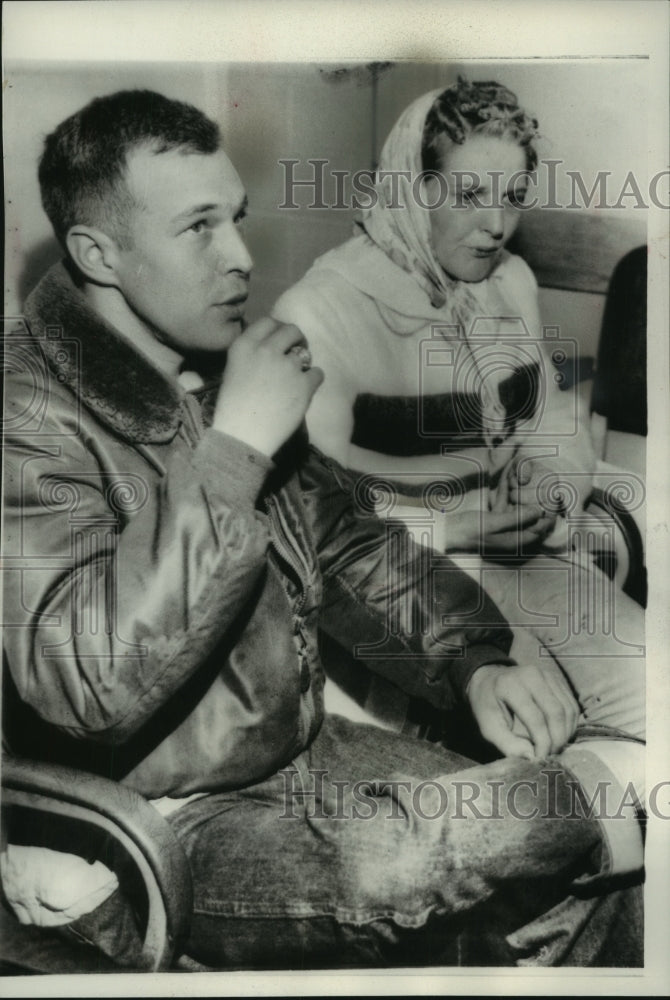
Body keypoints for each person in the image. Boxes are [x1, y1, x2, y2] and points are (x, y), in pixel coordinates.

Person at [2, 88, 644, 970]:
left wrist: (473, 658)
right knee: (552, 816)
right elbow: (82, 682)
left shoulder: (218, 359)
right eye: (198, 228)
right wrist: (235, 451)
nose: (240, 257)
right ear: (97, 253)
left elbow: (343, 543)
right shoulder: (24, 411)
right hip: (166, 814)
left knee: (569, 852)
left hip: (297, 746)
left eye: (237, 218)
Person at [273, 78, 646, 764]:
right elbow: (308, 526)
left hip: (522, 559)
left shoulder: (513, 282)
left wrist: (550, 490)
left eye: (512, 197)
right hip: (402, 590)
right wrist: (450, 525)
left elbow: (552, 425)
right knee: (549, 737)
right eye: (471, 196)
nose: (497, 225)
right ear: (414, 189)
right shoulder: (320, 312)